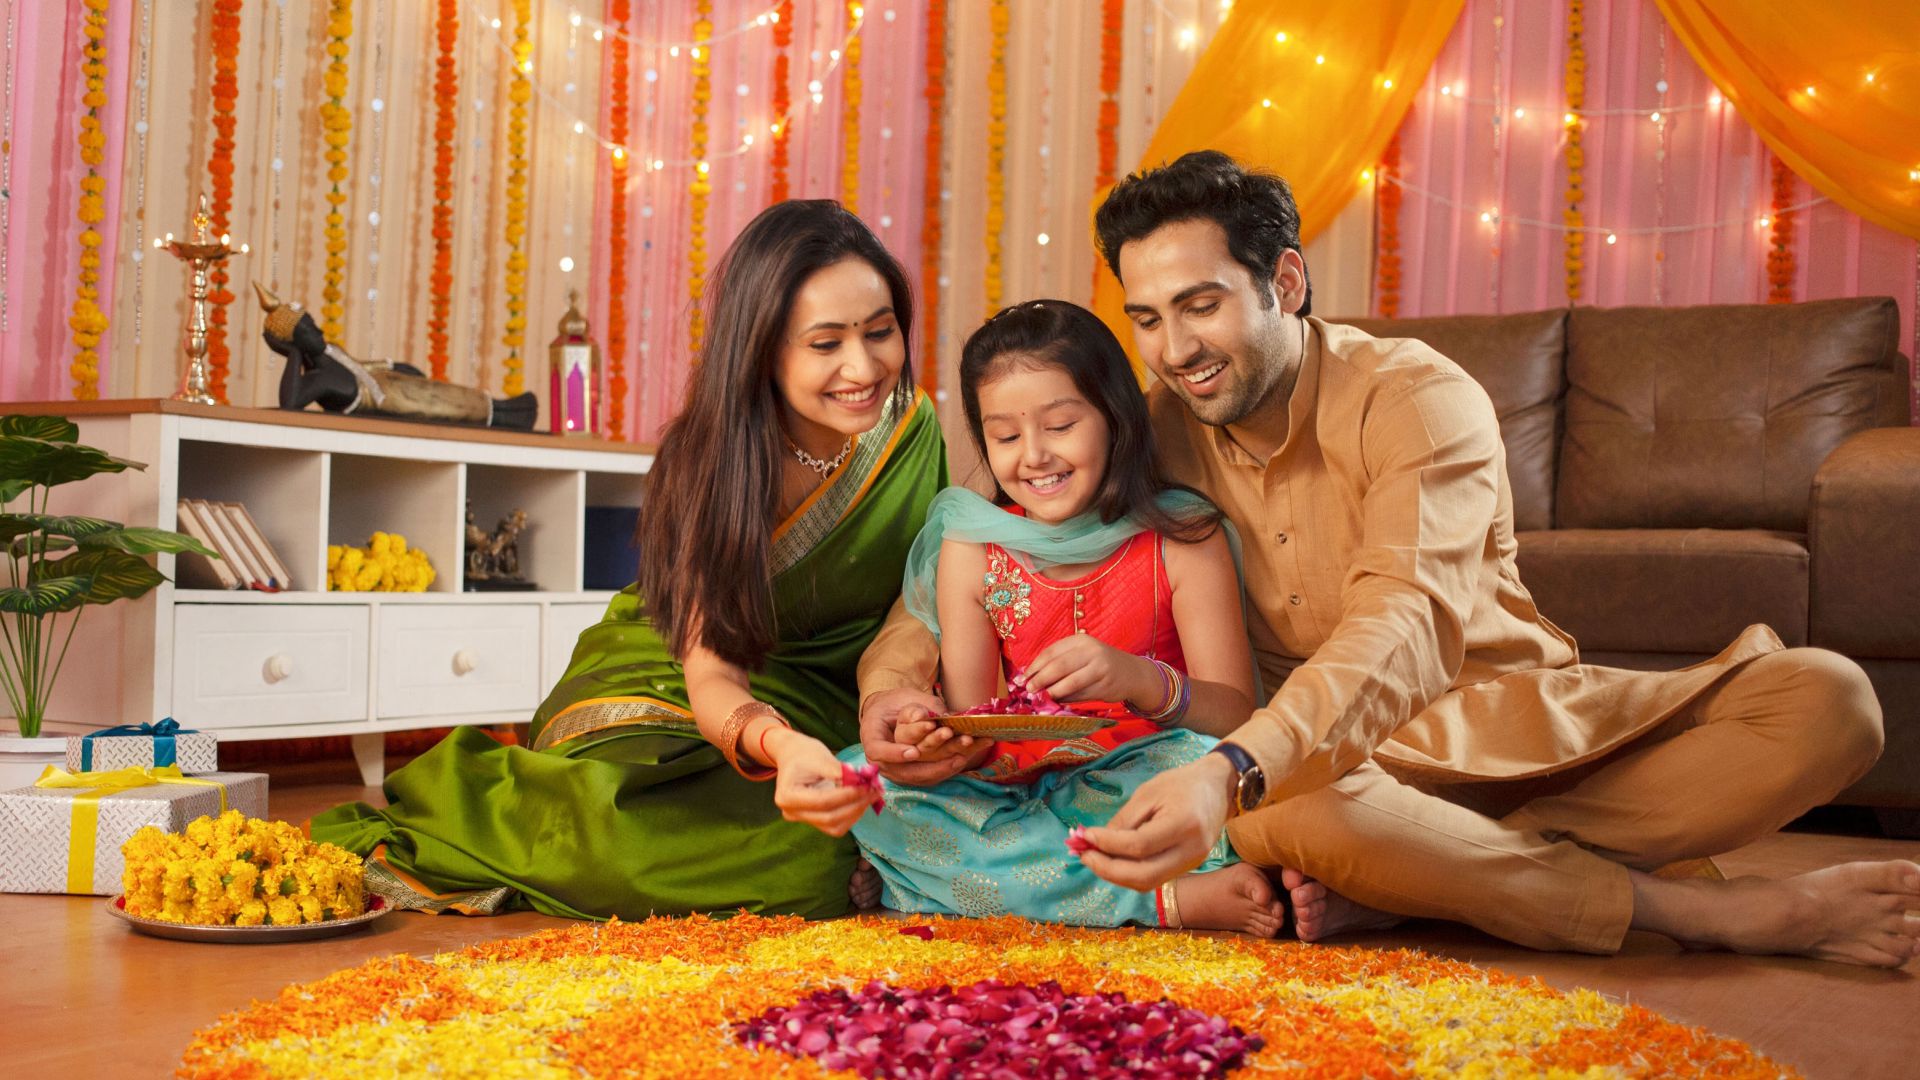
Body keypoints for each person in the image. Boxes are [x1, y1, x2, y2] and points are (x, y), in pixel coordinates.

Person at [858, 151, 1920, 967]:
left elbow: (1405, 621)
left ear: (1285, 280)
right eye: (1146, 318)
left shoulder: (1417, 396)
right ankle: (1699, 913)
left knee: (1829, 701)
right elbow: (990, 538)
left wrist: (1228, 767)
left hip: (1515, 732)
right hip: (1329, 782)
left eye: (1200, 305)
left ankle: (1428, 882)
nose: (1174, 348)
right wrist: (894, 694)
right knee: (1291, 811)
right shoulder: (1153, 428)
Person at [313, 200, 946, 920]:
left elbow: (923, 592)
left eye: (880, 332)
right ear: (764, 348)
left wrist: (887, 701)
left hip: (836, 699)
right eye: (825, 344)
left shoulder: (912, 431)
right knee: (721, 843)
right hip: (673, 675)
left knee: (818, 844)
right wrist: (781, 745)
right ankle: (481, 810)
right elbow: (711, 669)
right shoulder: (713, 461)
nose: (862, 367)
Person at [841, 300, 1282, 934]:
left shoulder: (1183, 537)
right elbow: (978, 729)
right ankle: (1165, 899)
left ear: (1114, 418)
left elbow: (1239, 716)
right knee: (863, 782)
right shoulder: (972, 546)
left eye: (1061, 425)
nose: (1035, 456)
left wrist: (1137, 680)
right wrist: (930, 734)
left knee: (1210, 773)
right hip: (1017, 784)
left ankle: (939, 883)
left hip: (1142, 771)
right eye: (1006, 436)